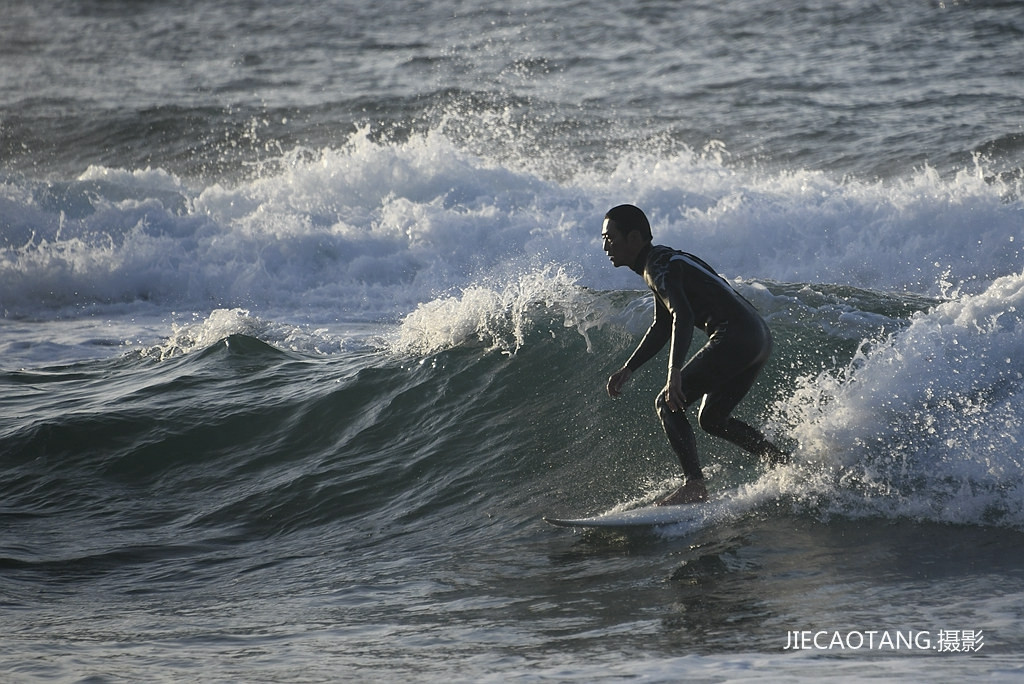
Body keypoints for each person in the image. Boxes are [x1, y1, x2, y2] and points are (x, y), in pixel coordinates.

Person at [602, 204, 787, 505]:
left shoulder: (656, 267)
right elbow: (663, 324)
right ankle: (781, 461)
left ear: (634, 238)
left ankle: (694, 485)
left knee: (667, 402)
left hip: (734, 336)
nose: (605, 245)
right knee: (712, 418)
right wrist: (629, 368)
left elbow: (683, 317)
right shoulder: (664, 260)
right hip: (757, 336)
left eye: (610, 237)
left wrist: (674, 374)